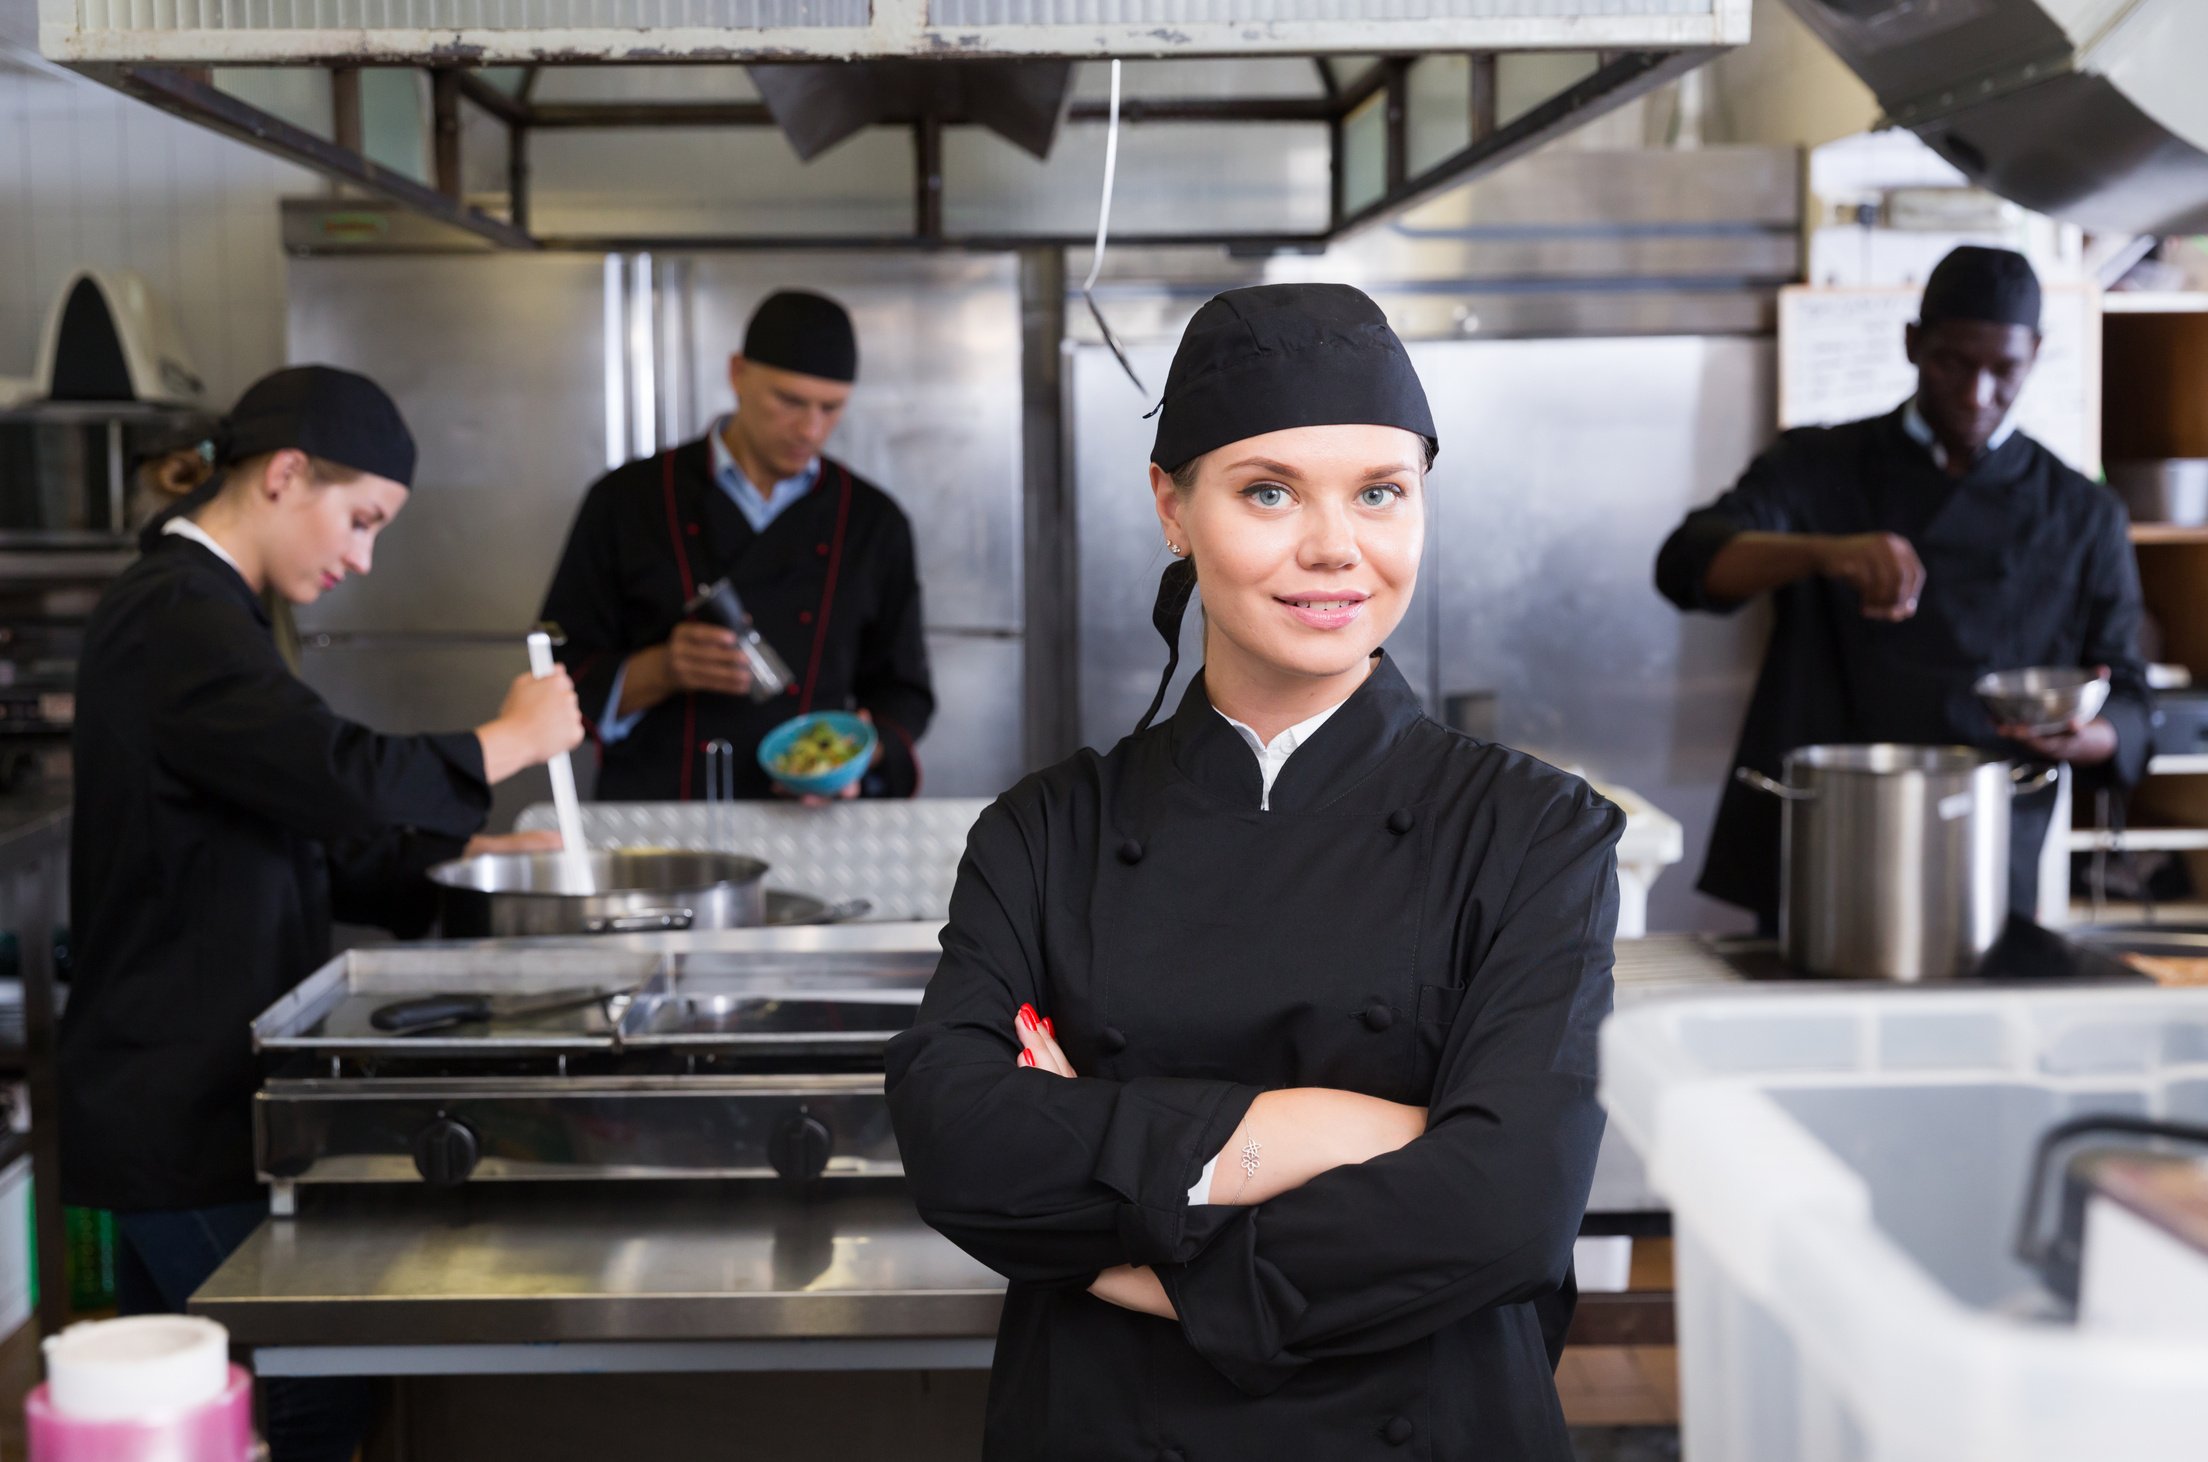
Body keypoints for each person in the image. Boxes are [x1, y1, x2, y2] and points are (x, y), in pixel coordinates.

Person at [886, 284, 1624, 1460]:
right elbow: (959, 1137)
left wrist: (1152, 1266)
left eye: (1381, 492)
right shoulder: (1045, 831)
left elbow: (1506, 1206)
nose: (1334, 547)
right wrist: (1329, 1130)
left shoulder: (1536, 832)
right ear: (1173, 508)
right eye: (1269, 491)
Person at [61, 366, 583, 1461]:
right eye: (360, 520)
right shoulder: (175, 615)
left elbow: (288, 832)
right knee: (308, 1396)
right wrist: (507, 743)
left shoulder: (207, 614)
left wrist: (460, 861)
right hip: (176, 1111)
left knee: (222, 1408)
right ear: (286, 474)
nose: (360, 556)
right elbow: (335, 774)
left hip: (187, 1100)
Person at [1655, 245, 2151, 929]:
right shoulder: (1820, 465)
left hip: (1982, 852)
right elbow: (1687, 565)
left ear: (2035, 354)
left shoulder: (2082, 512)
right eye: (1954, 363)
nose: (1978, 393)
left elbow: (2126, 695)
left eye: (2003, 369)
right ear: (1913, 343)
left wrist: (2086, 735)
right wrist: (1825, 553)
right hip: (1821, 844)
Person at [540, 288, 934, 802]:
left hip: (811, 822)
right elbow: (557, 674)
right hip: (659, 817)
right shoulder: (627, 500)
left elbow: (903, 693)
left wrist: (853, 759)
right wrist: (663, 670)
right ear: (737, 373)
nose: (810, 429)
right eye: (789, 401)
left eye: (830, 408)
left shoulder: (872, 522)